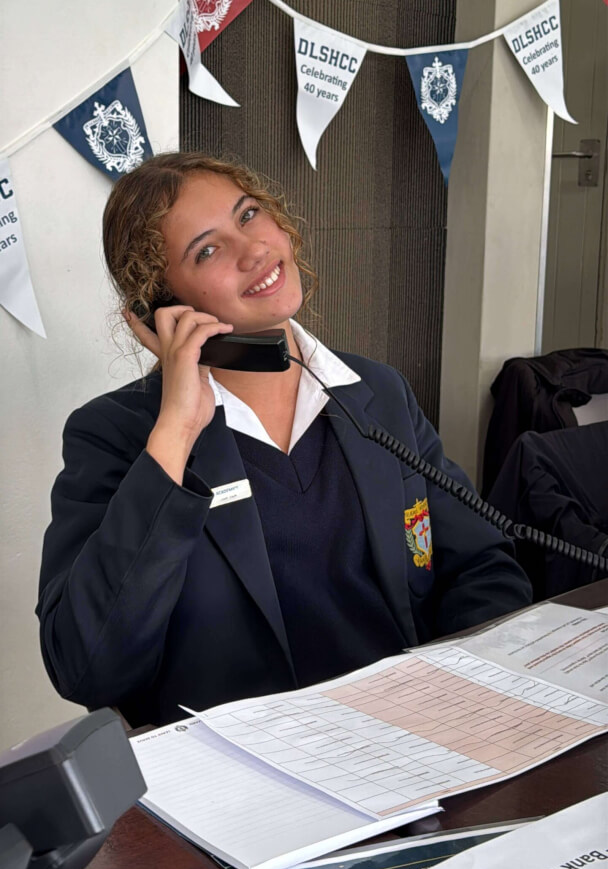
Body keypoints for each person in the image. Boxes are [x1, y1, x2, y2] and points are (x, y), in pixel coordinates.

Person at [37, 152, 531, 728]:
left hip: (415, 736)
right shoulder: (117, 435)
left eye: (248, 215)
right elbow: (86, 667)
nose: (253, 250)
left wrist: (466, 693)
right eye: (206, 250)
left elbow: (481, 567)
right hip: (243, 769)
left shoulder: (377, 392)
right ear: (160, 309)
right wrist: (176, 434)